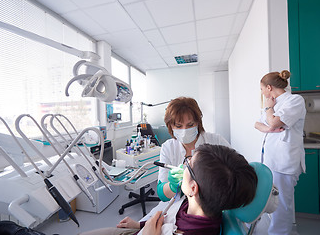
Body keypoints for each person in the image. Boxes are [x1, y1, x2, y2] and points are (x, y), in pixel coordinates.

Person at [79, 144, 258, 235]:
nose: (183, 165)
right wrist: (139, 225)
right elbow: (169, 220)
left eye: (188, 163)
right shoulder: (198, 207)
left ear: (193, 187)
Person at [254, 70, 306, 235]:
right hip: (271, 160)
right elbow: (258, 124)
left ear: (269, 88)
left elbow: (274, 122)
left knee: (282, 203)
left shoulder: (295, 100)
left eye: (262, 89)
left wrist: (269, 111)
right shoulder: (273, 104)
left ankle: (280, 233)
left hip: (284, 162)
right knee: (272, 201)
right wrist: (270, 125)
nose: (262, 93)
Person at [157, 97, 231, 202]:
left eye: (190, 125)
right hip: (178, 206)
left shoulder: (216, 141)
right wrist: (173, 186)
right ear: (170, 126)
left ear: (198, 122)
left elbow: (237, 170)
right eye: (178, 126)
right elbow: (162, 194)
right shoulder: (168, 148)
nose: (184, 130)